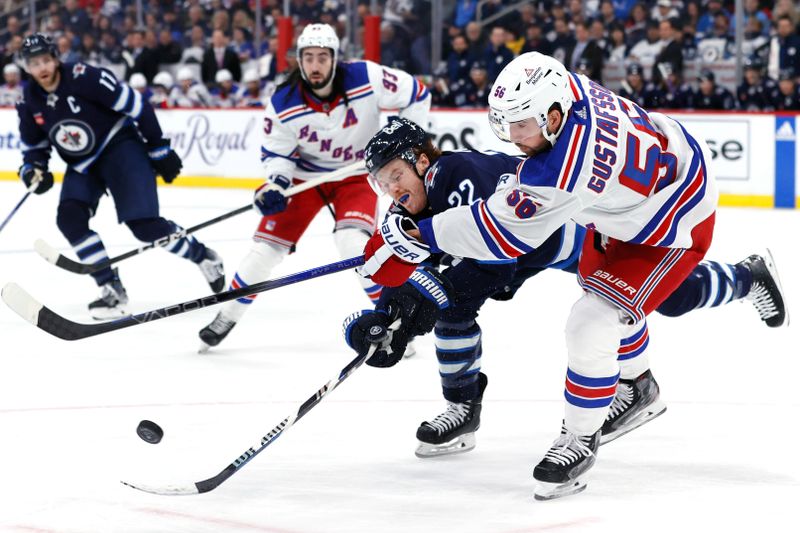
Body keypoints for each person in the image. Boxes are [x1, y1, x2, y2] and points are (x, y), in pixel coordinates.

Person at [356, 52, 722, 500]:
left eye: (522, 126)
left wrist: (422, 236)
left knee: (593, 323)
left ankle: (581, 437)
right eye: (506, 124)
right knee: (606, 294)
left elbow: (498, 240)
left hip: (671, 221)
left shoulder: (564, 169)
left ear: (552, 116)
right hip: (624, 201)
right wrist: (395, 287)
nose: (513, 138)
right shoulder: (567, 89)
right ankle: (640, 387)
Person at [345, 118, 787, 460]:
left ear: (422, 161)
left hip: (576, 233)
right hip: (528, 253)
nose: (391, 189)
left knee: (671, 297)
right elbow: (418, 265)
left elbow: (498, 246)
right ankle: (462, 408)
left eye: (396, 174)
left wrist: (428, 292)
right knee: (453, 306)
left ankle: (748, 277)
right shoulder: (413, 205)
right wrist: (387, 316)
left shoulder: (456, 173)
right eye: (381, 183)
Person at [197, 23, 431, 351]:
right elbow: (276, 154)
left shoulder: (367, 76)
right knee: (263, 252)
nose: (315, 65)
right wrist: (275, 185)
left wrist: (404, 134)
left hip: (355, 176)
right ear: (299, 60)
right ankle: (227, 314)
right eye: (308, 57)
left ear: (335, 59)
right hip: (305, 178)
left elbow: (417, 93)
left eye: (323, 57)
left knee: (354, 245)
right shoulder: (283, 100)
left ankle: (392, 323)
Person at [15, 33, 225, 319]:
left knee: (145, 227)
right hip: (82, 163)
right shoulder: (28, 99)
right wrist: (34, 168)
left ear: (55, 58)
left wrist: (158, 146)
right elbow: (34, 145)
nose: (42, 68)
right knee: (70, 218)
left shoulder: (85, 77)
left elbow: (138, 105)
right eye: (34, 63)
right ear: (26, 67)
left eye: (46, 60)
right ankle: (110, 287)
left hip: (119, 147)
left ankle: (204, 257)